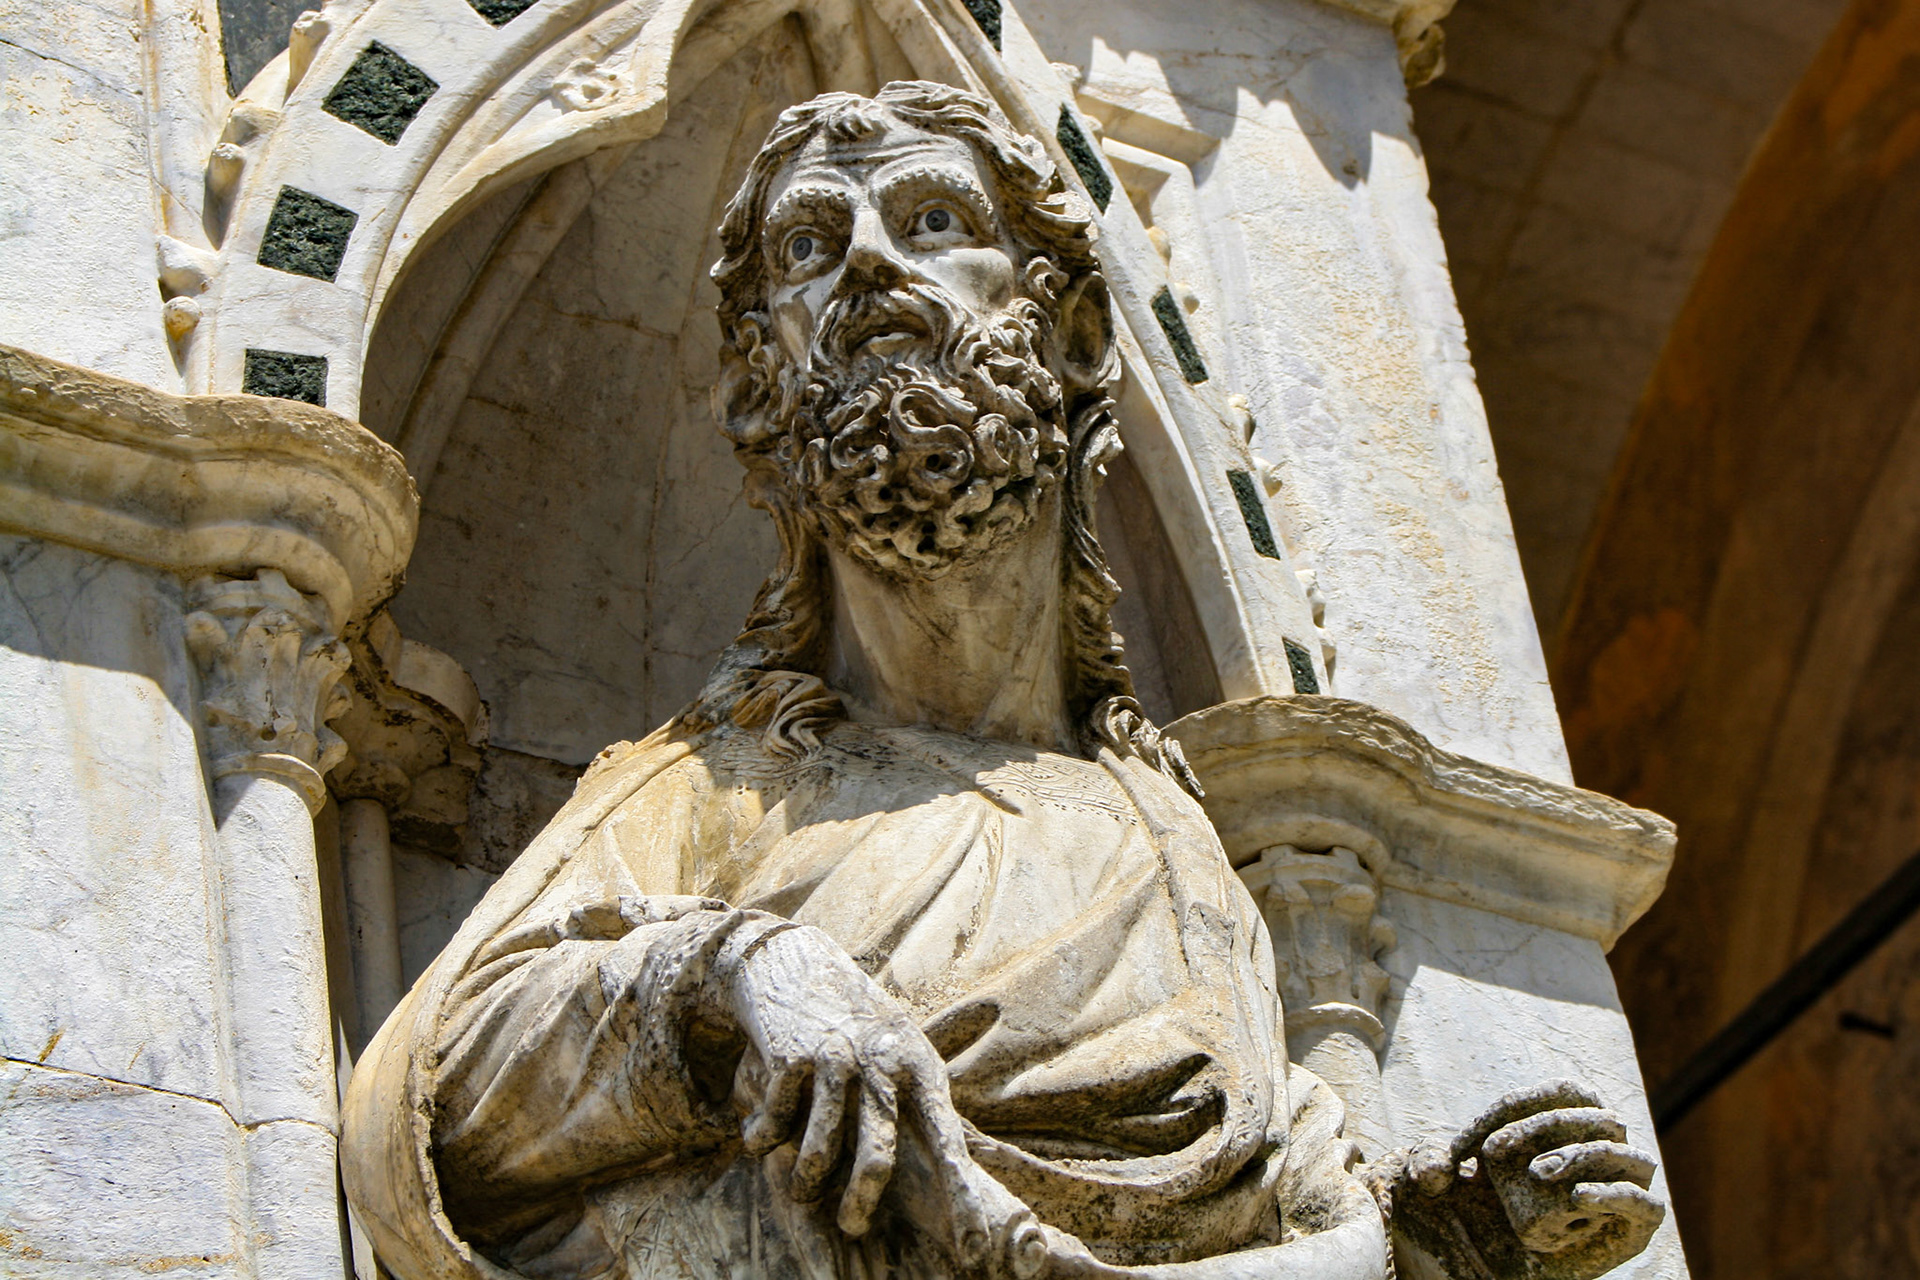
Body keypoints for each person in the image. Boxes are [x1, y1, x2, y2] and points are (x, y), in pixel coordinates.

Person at [341, 81, 1662, 1280]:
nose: (866, 259)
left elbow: (1305, 1202)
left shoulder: (1174, 847)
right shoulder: (718, 786)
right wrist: (734, 975)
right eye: (809, 245)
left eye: (930, 219)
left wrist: (1447, 1237)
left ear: (1078, 333)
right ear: (759, 389)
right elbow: (429, 1109)